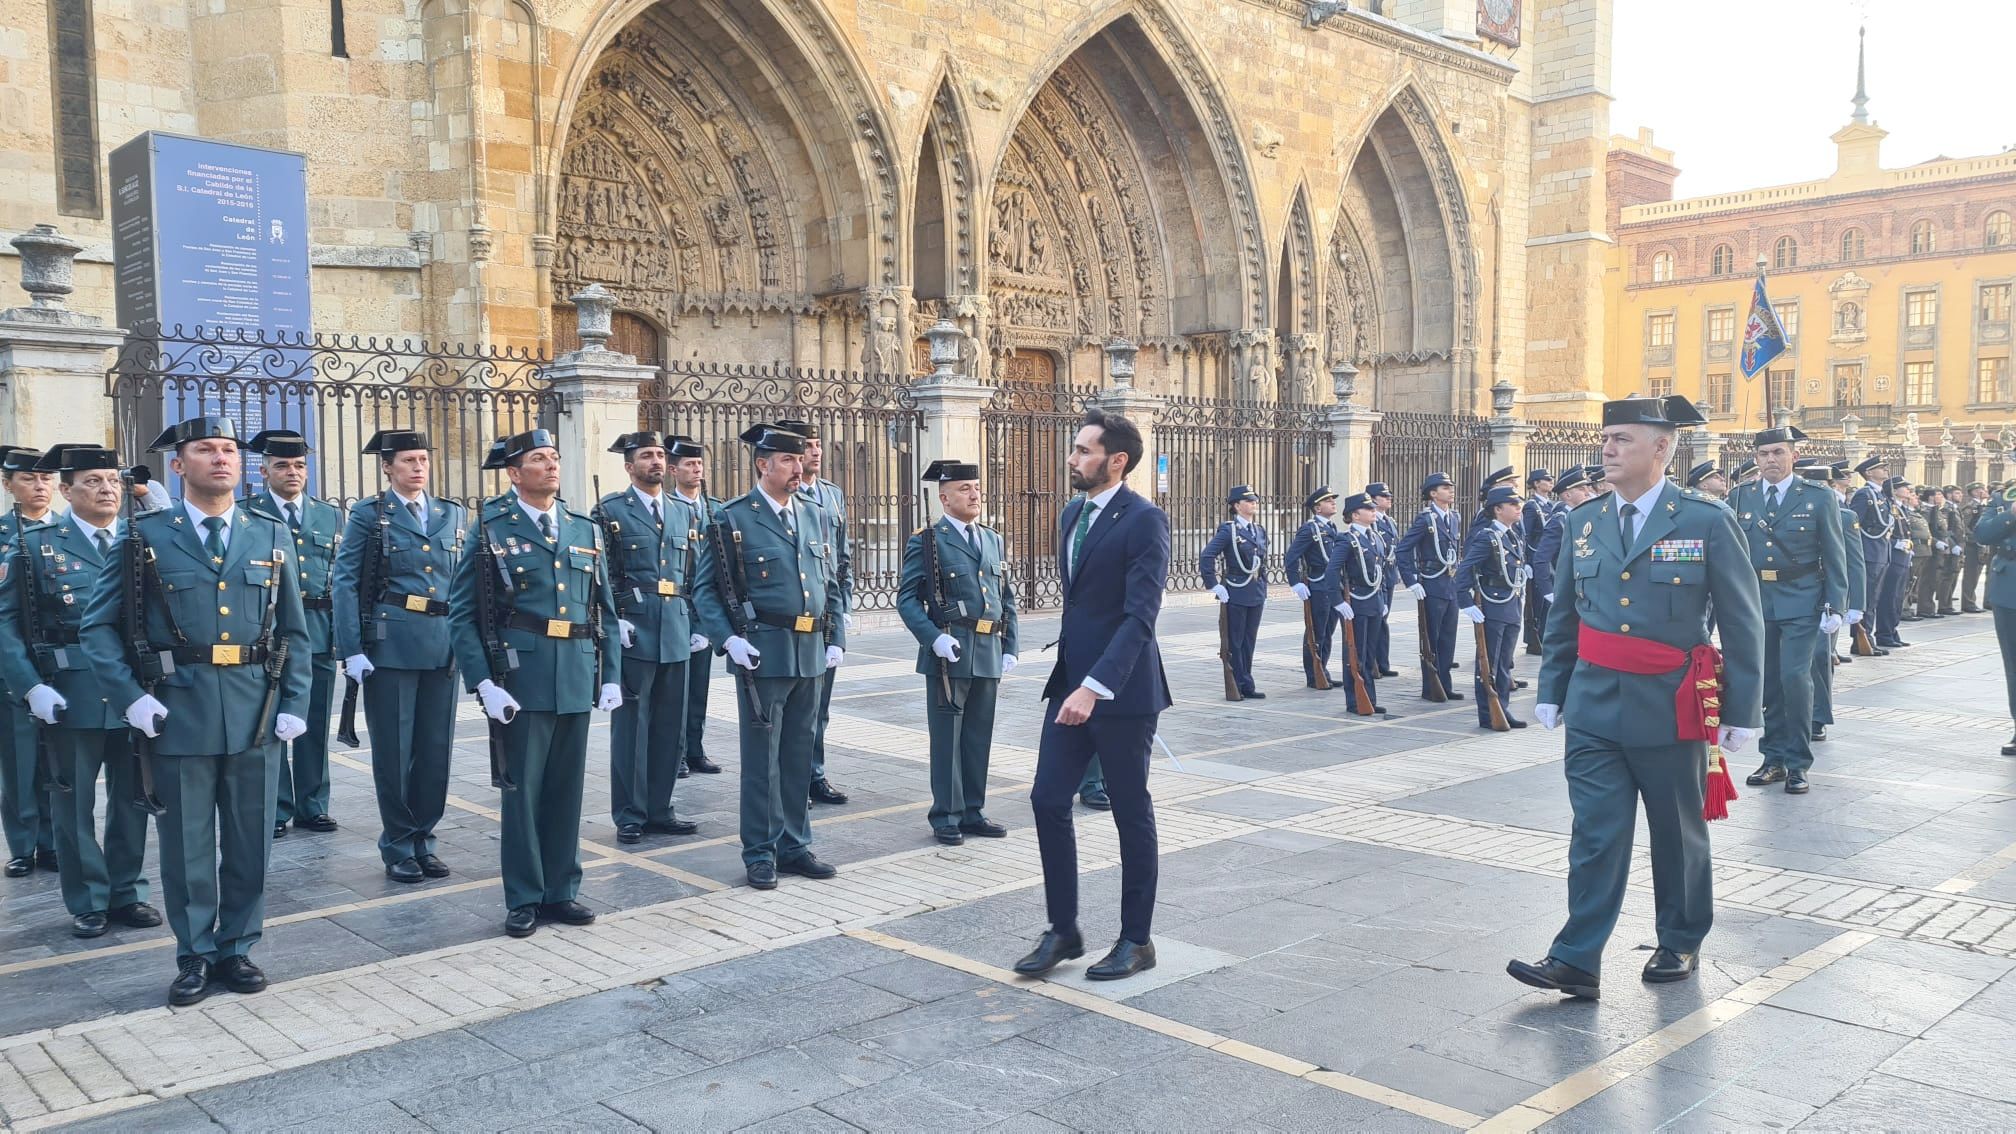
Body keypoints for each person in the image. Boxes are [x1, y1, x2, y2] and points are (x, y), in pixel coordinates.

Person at [1508, 395, 1763, 1000]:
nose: (1608, 448)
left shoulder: (1704, 519)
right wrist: (1553, 687)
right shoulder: (1583, 520)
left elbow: (1742, 619)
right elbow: (1564, 612)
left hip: (1670, 702)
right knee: (1595, 831)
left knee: (1676, 830)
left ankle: (1679, 938)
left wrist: (1742, 711)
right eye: (1607, 438)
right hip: (1595, 701)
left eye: (1622, 438)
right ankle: (1576, 957)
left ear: (1662, 448)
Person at [78, 416, 313, 1006]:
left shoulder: (268, 532)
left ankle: (237, 947)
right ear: (178, 466)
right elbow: (98, 628)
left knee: (250, 839)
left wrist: (295, 701)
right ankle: (195, 954)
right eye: (205, 450)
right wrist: (131, 699)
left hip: (255, 708)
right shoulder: (146, 535)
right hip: (177, 709)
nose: (222, 458)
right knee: (185, 844)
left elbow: (295, 630)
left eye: (229, 449)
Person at [1014, 407, 1170, 983]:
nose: (1072, 458)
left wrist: (1096, 685)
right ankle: (1064, 929)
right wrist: (1074, 683)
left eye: (1083, 450)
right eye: (1075, 448)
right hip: (1070, 685)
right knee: (1047, 799)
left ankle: (1136, 939)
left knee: (1131, 811)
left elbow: (1140, 616)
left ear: (1117, 460)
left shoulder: (1144, 520)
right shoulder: (1072, 513)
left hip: (1122, 692)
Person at [449, 429, 621, 937]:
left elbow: (603, 610)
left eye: (554, 458)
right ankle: (525, 895)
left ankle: (561, 890)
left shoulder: (583, 527)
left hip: (574, 671)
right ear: (513, 473)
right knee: (521, 792)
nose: (550, 466)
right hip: (520, 677)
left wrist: (610, 674)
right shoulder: (491, 528)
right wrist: (483, 683)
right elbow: (464, 615)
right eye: (538, 459)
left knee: (567, 792)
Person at [0, 446, 160, 937]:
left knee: (134, 796)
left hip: (132, 691)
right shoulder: (34, 546)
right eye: (92, 481)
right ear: (66, 491)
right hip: (70, 692)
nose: (107, 489)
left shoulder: (139, 540)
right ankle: (88, 896)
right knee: (72, 805)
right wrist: (30, 688)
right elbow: (6, 625)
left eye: (112, 480)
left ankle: (126, 891)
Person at [692, 423, 847, 891]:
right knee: (763, 759)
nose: (798, 468)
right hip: (763, 652)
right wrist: (728, 640)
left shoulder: (816, 513)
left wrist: (836, 634)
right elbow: (705, 590)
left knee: (800, 754)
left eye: (800, 460)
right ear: (763, 465)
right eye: (787, 461)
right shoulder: (733, 518)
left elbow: (831, 580)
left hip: (810, 651)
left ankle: (795, 844)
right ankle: (760, 850)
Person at [333, 430, 468, 883]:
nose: (418, 467)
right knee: (394, 751)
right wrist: (350, 648)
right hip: (390, 645)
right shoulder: (370, 515)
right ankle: (397, 843)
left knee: (435, 751)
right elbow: (346, 582)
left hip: (443, 644)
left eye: (423, 459)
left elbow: (466, 585)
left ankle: (424, 838)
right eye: (408, 460)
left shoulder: (451, 513)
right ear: (388, 467)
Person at [897, 459, 1019, 845]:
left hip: (987, 648)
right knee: (947, 738)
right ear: (944, 498)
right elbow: (907, 600)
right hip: (949, 652)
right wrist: (932, 637)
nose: (974, 494)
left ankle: (972, 810)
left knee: (978, 736)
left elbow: (1006, 598)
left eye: (977, 487)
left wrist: (1010, 644)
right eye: (965, 489)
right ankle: (945, 814)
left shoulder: (992, 538)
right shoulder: (927, 541)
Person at [598, 432, 706, 845]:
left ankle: (661, 808)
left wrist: (697, 624)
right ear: (630, 467)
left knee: (669, 727)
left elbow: (697, 574)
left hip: (676, 628)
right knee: (631, 728)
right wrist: (615, 620)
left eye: (660, 455)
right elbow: (602, 574)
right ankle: (629, 812)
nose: (656, 462)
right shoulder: (610, 511)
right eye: (647, 456)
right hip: (635, 629)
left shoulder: (683, 513)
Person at [1727, 425, 1845, 795]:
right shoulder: (1741, 496)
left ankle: (1798, 762)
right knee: (1769, 682)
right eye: (1763, 454)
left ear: (1793, 455)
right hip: (1757, 601)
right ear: (1756, 459)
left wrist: (1837, 604)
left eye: (1778, 452)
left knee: (1795, 679)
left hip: (1801, 599)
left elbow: (1835, 552)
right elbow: (1730, 554)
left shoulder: (1817, 496)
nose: (1770, 460)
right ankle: (1773, 758)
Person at [242, 430, 343, 840]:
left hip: (317, 631)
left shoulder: (330, 515)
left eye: (300, 465)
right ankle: (277, 806)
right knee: (269, 720)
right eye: (282, 465)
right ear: (264, 470)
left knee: (314, 720)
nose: (292, 472)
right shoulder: (248, 512)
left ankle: (312, 804)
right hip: (267, 632)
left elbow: (340, 578)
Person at [775, 419, 851, 807]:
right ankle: (791, 781)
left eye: (819, 444)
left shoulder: (833, 496)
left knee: (819, 708)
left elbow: (843, 558)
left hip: (826, 613)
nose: (816, 452)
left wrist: (844, 610)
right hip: (789, 619)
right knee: (791, 711)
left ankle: (813, 774)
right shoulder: (778, 502)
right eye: (808, 446)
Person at [0, 445, 57, 877]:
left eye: (46, 479)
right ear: (8, 485)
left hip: (59, 661)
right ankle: (23, 844)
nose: (40, 486)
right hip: (11, 662)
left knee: (59, 757)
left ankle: (54, 841)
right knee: (20, 759)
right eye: (29, 479)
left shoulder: (66, 532)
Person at [667, 437, 724, 778]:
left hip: (706, 609)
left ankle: (695, 748)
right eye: (689, 464)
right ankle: (676, 754)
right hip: (677, 606)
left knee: (699, 686)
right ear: (674, 470)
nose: (697, 469)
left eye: (699, 464)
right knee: (676, 690)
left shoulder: (715, 508)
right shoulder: (670, 508)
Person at [1458, 484, 1529, 729]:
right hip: (1494, 603)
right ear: (1498, 509)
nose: (1518, 508)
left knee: (1504, 662)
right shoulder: (1487, 537)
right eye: (1513, 504)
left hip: (1511, 602)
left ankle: (1503, 708)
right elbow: (1464, 569)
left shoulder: (1514, 534)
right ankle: (1488, 712)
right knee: (1489, 662)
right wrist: (1465, 603)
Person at [1805, 461, 1865, 743]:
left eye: (1823, 486)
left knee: (1819, 657)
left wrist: (1855, 604)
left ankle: (1818, 716)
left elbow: (1854, 561)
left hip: (1826, 599)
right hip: (1794, 595)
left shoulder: (1844, 515)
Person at [1396, 472, 1463, 702]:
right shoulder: (1425, 520)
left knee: (1448, 638)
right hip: (1432, 583)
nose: (1450, 490)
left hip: (1450, 584)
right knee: (1431, 639)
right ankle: (1430, 687)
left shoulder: (1454, 517)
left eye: (1451, 486)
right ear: (1433, 494)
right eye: (1445, 487)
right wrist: (1412, 580)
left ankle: (1445, 684)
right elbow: (1403, 549)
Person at [1200, 485, 1268, 699]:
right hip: (1237, 590)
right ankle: (1237, 683)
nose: (1253, 503)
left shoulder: (1259, 530)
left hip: (1255, 591)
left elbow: (1261, 562)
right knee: (1235, 641)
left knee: (1250, 640)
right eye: (1248, 501)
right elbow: (1207, 555)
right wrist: (1214, 584)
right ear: (1236, 506)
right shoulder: (1229, 530)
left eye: (1254, 500)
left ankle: (1246, 681)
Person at [1970, 486, 2016, 754]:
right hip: (2009, 587)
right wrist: (2010, 514)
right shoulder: (2005, 498)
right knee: (2013, 662)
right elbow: (1982, 534)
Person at [1285, 487, 1341, 688]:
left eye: (1333, 499)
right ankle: (1313, 674)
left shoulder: (1332, 528)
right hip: (1318, 585)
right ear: (1317, 507)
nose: (1333, 502)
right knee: (1316, 632)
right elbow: (1292, 556)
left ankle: (1322, 669)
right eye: (1328, 500)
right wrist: (1296, 582)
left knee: (1328, 631)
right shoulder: (1310, 529)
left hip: (1332, 586)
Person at [1337, 492, 1388, 714]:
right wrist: (1339, 602)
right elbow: (1333, 573)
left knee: (1369, 654)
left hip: (1374, 601)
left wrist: (1383, 598)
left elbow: (1381, 572)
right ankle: (1355, 700)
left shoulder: (1375, 537)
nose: (1373, 511)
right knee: (1354, 654)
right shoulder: (1346, 539)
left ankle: (1370, 698)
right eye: (1369, 509)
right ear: (1356, 515)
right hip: (1356, 601)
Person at [1850, 457, 1899, 652]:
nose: (1886, 470)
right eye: (1880, 468)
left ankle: (1867, 637)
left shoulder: (1881, 495)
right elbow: (1854, 525)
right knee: (1867, 598)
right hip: (1869, 552)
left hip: (1881, 551)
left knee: (1875, 598)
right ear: (1869, 473)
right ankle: (1861, 639)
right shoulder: (1864, 494)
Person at [1520, 470, 1555, 655]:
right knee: (1536, 603)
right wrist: (1526, 561)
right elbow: (1525, 535)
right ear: (1536, 483)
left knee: (1547, 602)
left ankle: (1542, 636)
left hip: (1547, 560)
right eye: (1547, 480)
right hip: (1535, 560)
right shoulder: (1532, 507)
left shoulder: (1550, 506)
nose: (1551, 482)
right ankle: (1533, 640)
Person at [1368, 483, 1401, 676]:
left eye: (1389, 495)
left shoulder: (1390, 521)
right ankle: (1372, 663)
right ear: (1372, 499)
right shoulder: (1372, 522)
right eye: (1383, 496)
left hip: (1388, 576)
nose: (1388, 498)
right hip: (1376, 578)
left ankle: (1382, 663)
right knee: (1376, 621)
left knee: (1383, 621)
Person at [1963, 482, 1991, 613]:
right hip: (1973, 546)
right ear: (1975, 492)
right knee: (1971, 575)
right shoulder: (1970, 507)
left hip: (1983, 545)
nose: (1985, 491)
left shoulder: (1984, 506)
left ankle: (1974, 602)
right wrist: (1977, 539)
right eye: (1982, 489)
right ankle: (1968, 603)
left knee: (1979, 574)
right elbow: (1965, 527)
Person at [1939, 484, 1966, 615]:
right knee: (1948, 576)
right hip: (1952, 547)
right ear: (1949, 495)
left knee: (1953, 576)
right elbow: (1946, 530)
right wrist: (1952, 544)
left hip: (1959, 546)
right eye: (1957, 493)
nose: (1960, 496)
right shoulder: (1947, 509)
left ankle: (1948, 603)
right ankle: (1944, 605)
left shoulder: (1956, 508)